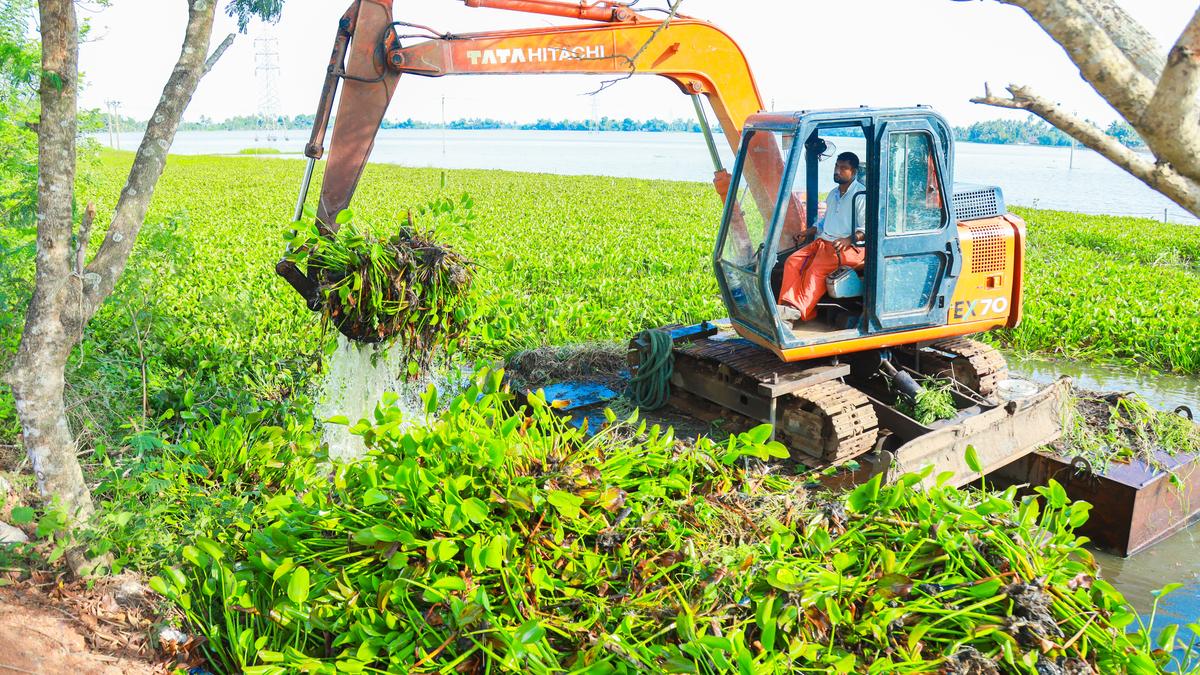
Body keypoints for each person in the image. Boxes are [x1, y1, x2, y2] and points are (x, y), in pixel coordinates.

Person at [777, 151, 867, 323]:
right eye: (836, 166)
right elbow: (826, 221)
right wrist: (809, 231)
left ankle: (794, 313)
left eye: (843, 168)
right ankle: (787, 305)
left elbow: (866, 228)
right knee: (792, 262)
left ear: (853, 172)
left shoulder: (861, 195)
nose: (837, 171)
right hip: (823, 242)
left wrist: (849, 239)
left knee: (813, 272)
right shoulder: (833, 194)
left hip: (846, 248)